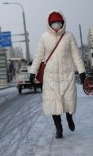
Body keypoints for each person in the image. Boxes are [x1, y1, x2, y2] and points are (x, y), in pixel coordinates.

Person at [29, 10, 86, 139]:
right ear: (49, 24)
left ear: (63, 22)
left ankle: (69, 117)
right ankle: (58, 128)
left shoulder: (69, 36)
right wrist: (32, 72)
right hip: (50, 77)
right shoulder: (44, 37)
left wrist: (82, 71)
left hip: (67, 75)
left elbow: (76, 55)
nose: (56, 25)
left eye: (58, 22)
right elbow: (38, 56)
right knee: (53, 103)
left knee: (68, 100)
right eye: (54, 23)